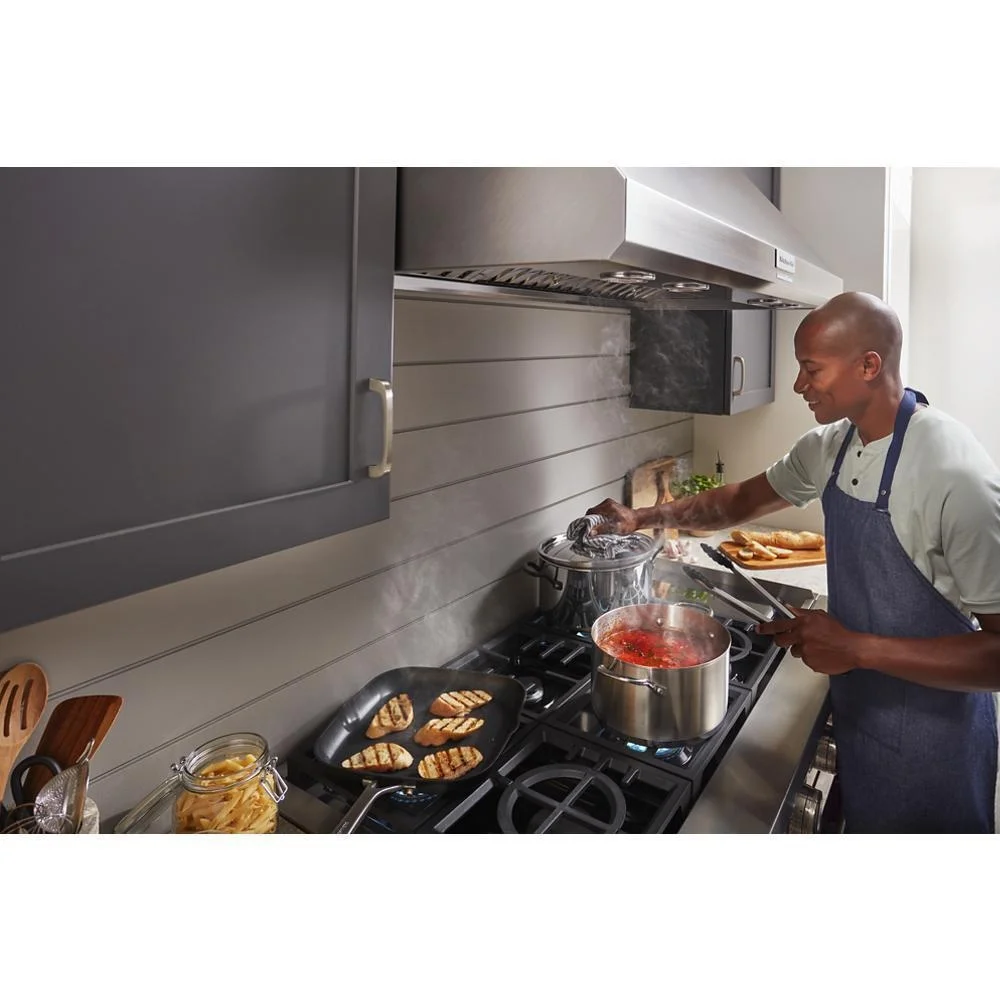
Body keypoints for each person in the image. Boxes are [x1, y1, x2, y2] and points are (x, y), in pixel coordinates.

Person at [586, 291, 1000, 833]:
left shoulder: (954, 473)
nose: (799, 385)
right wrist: (642, 517)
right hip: (860, 712)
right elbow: (736, 502)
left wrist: (855, 647)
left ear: (869, 365)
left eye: (812, 369)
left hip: (936, 743)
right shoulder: (830, 445)